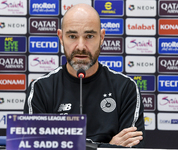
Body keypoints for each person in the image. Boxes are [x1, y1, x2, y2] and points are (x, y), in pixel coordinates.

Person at [24, 3, 145, 148]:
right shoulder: (40, 89)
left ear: (101, 37)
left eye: (89, 36)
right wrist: (108, 146)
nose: (81, 46)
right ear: (61, 38)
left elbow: (130, 147)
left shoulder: (125, 88)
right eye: (72, 36)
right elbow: (34, 146)